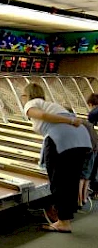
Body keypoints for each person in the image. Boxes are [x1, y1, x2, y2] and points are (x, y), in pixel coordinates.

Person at [22, 83, 91, 233]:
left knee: (59, 180)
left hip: (62, 140)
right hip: (82, 139)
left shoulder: (31, 104)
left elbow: (43, 116)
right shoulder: (51, 104)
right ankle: (66, 219)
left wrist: (70, 121)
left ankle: (63, 221)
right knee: (71, 180)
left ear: (26, 95)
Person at [86, 93, 98, 198]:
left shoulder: (93, 113)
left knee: (94, 167)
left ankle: (94, 191)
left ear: (90, 104)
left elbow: (89, 129)